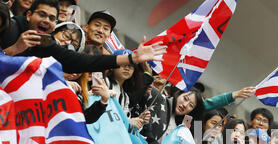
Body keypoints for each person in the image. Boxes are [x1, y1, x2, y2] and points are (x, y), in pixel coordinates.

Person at [0, 0, 167, 73]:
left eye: (52, 18)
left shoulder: (47, 43)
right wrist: (13, 50)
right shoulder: (8, 27)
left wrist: (131, 59)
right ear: (29, 15)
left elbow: (82, 61)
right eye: (41, 15)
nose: (46, 21)